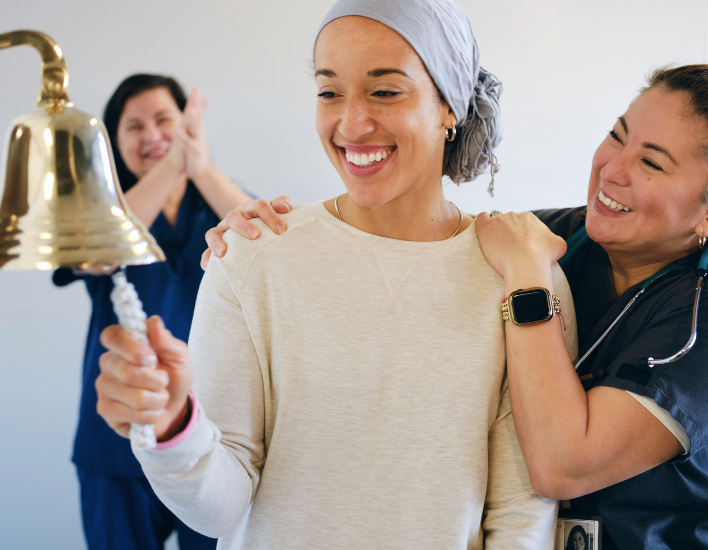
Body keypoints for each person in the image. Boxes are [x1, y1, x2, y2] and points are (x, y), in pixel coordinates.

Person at [210, 64, 708, 549]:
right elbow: (408, 248)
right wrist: (257, 233)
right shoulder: (558, 237)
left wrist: (528, 280)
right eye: (618, 135)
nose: (612, 170)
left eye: (652, 163)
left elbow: (563, 463)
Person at [92, 1, 578, 549]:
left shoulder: (520, 276)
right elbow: (220, 508)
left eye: (385, 91)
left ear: (451, 106)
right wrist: (172, 425)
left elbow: (520, 513)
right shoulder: (253, 255)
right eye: (329, 92)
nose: (351, 124)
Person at [53, 74, 253, 550]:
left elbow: (274, 246)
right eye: (134, 126)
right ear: (114, 143)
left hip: (207, 438)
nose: (152, 135)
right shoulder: (103, 211)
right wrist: (175, 163)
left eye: (165, 120)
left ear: (188, 125)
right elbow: (95, 249)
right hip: (116, 438)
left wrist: (199, 168)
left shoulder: (220, 201)